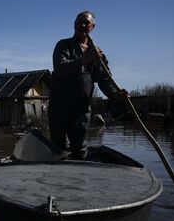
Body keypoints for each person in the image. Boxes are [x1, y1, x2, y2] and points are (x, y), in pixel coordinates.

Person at [50, 10, 127, 159]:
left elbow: (104, 80)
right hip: (60, 108)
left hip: (81, 109)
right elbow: (60, 68)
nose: (82, 25)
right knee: (57, 148)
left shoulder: (97, 54)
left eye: (86, 22)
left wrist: (116, 95)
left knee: (79, 149)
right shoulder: (64, 45)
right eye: (79, 22)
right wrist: (84, 59)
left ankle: (78, 179)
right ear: (74, 25)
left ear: (93, 27)